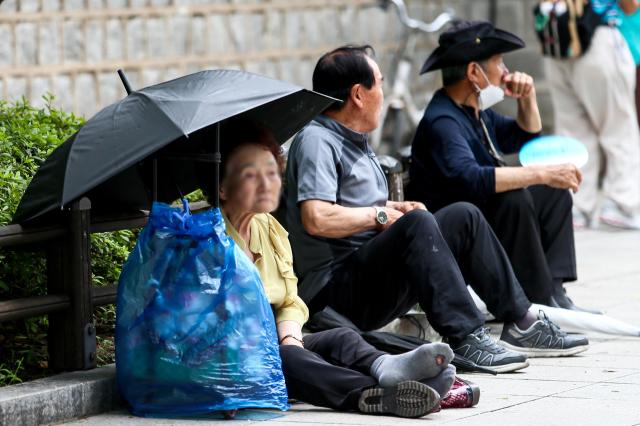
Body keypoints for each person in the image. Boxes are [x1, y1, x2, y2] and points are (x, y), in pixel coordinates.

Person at [284, 45, 588, 374]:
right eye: (380, 84)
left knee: (463, 216)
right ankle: (466, 336)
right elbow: (316, 217)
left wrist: (392, 206)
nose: (383, 94)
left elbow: (347, 204)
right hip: (334, 293)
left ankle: (521, 320)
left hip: (365, 273)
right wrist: (382, 215)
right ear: (358, 94)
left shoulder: (351, 137)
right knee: (418, 223)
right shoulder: (318, 140)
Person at [198, 120, 473, 418]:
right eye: (251, 174)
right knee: (290, 360)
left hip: (272, 341)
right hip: (228, 359)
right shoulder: (207, 241)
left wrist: (290, 337)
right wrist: (285, 347)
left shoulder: (271, 230)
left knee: (340, 337)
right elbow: (208, 320)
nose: (267, 183)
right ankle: (374, 393)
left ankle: (389, 369)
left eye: (271, 172)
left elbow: (291, 300)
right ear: (222, 187)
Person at [409, 21, 598, 314]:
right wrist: (541, 172)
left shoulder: (474, 112)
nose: (506, 71)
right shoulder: (443, 121)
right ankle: (535, 302)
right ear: (474, 72)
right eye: (498, 62)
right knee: (515, 197)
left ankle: (552, 290)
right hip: (460, 232)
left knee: (551, 192)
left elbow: (523, 136)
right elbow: (471, 178)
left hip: (485, 216)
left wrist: (529, 97)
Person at [546, 0, 640, 229]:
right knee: (618, 126)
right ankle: (621, 204)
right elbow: (629, 5)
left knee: (572, 130)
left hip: (557, 40)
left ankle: (576, 206)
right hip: (598, 37)